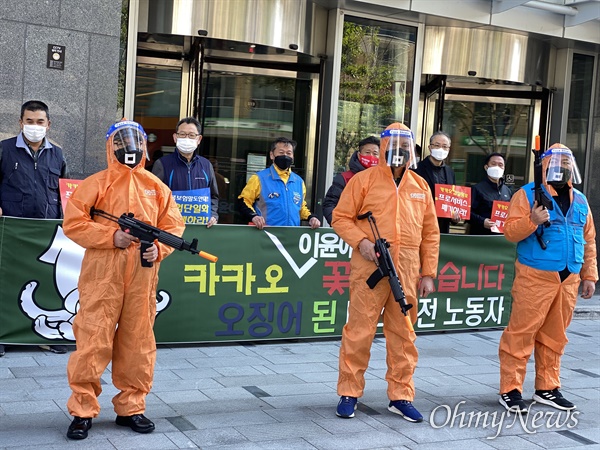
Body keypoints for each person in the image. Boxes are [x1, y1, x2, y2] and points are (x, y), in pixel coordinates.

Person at [62, 120, 185, 440]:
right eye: (120, 141)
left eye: (134, 141)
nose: (128, 147)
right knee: (92, 340)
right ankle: (82, 409)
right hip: (103, 275)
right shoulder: (96, 183)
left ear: (144, 147)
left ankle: (132, 406)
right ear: (110, 146)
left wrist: (157, 250)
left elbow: (173, 227)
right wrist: (109, 236)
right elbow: (74, 223)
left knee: (138, 342)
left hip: (142, 277)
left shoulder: (156, 186)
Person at [332, 123, 440, 422]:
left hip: (406, 271)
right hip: (369, 268)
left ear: (411, 152)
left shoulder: (420, 186)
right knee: (359, 332)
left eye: (405, 148)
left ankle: (401, 395)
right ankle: (349, 393)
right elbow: (340, 218)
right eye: (393, 147)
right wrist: (362, 242)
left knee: (404, 335)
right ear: (383, 149)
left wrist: (428, 272)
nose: (399, 153)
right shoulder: (363, 181)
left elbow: (431, 233)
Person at [498, 143, 597, 413]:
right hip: (535, 276)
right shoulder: (527, 194)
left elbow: (588, 240)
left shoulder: (580, 199)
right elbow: (510, 232)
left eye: (566, 164)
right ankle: (510, 389)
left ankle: (548, 387)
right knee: (521, 333)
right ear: (546, 166)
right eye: (556, 163)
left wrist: (589, 274)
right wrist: (531, 220)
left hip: (568, 279)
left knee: (556, 335)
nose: (562, 169)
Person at [0, 100, 69, 356]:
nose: (34, 126)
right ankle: (3, 334)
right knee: (8, 282)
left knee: (46, 281)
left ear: (48, 124)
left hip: (47, 231)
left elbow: (65, 190)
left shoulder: (58, 154)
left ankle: (50, 335)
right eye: (29, 121)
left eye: (40, 122)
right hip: (13, 230)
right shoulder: (4, 150)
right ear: (20, 123)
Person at [238, 137, 321, 230]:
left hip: (292, 236)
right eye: (281, 152)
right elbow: (244, 201)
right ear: (272, 155)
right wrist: (254, 216)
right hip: (266, 235)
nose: (285, 155)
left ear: (293, 156)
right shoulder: (259, 178)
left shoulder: (299, 182)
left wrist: (311, 218)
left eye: (289, 153)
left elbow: (301, 208)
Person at [152, 117, 218, 227]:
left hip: (201, 227)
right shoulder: (162, 164)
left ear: (199, 139)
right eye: (182, 134)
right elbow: (152, 197)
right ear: (175, 137)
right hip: (170, 228)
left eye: (192, 135)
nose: (187, 138)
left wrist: (213, 215)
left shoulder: (206, 165)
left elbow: (214, 196)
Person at [322, 136, 380, 225]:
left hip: (377, 233)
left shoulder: (386, 179)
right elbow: (329, 205)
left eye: (375, 153)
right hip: (349, 234)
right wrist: (341, 227)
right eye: (367, 152)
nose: (371, 156)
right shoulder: (344, 178)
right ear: (359, 155)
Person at [413, 131, 460, 233]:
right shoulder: (416, 170)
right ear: (430, 148)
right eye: (437, 145)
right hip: (421, 226)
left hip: (442, 228)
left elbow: (452, 200)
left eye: (444, 146)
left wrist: (455, 216)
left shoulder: (450, 172)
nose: (441, 149)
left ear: (449, 149)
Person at [468, 153, 513, 235]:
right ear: (486, 167)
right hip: (481, 237)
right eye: (493, 164)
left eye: (500, 165)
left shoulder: (507, 191)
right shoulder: (477, 189)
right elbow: (468, 213)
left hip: (501, 238)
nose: (497, 167)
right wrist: (482, 221)